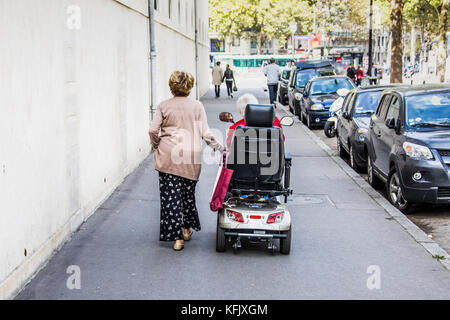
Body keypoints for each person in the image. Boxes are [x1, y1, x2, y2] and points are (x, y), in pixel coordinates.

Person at [149, 71, 225, 251]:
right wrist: (221, 149)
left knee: (171, 198)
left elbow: (152, 130)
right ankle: (185, 229)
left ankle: (177, 240)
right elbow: (206, 133)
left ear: (171, 86)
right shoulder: (197, 106)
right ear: (189, 86)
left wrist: (158, 145)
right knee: (187, 195)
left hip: (168, 155)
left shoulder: (163, 106)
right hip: (191, 156)